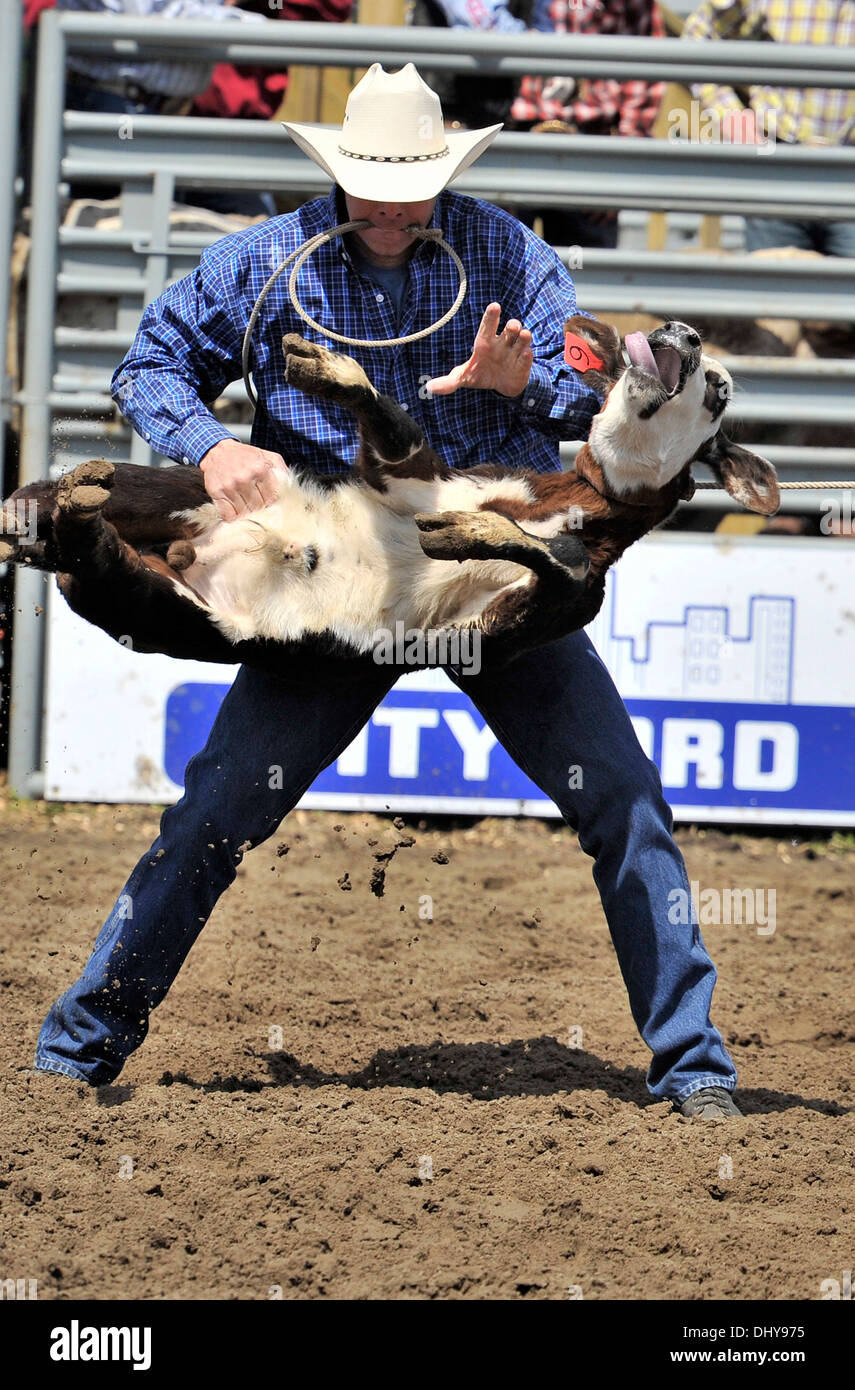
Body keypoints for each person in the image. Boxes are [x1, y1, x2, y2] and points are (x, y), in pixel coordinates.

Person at [33, 63, 741, 1120]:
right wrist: (211, 445)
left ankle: (694, 1067)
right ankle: (79, 1045)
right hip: (336, 588)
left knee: (625, 801)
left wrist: (526, 386)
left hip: (499, 588)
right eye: (373, 183)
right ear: (338, 174)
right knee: (218, 812)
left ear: (444, 174)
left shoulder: (510, 254)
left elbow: (606, 401)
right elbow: (149, 368)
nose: (394, 205)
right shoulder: (265, 261)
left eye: (413, 183)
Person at [420, 0, 666, 248]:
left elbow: (645, 62)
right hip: (503, 131)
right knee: (492, 268)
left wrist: (623, 161)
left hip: (590, 138)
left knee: (581, 273)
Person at [682, 0, 855, 256]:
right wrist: (730, 115)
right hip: (779, 165)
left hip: (848, 170)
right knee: (777, 290)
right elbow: (698, 37)